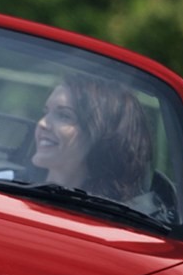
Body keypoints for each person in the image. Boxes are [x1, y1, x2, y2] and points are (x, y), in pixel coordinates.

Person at [29, 72, 154, 204]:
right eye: (46, 112)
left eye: (64, 116)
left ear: (101, 136)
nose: (42, 123)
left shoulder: (118, 220)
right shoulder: (8, 183)